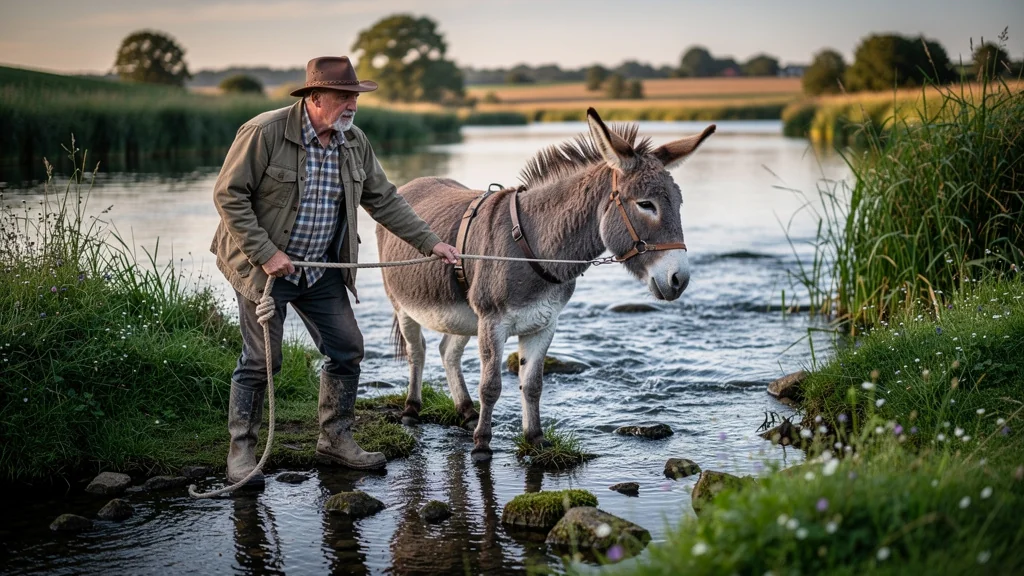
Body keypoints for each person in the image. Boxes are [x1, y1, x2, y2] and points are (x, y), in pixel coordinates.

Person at [210, 56, 459, 485]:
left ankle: (335, 440)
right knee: (261, 360)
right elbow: (229, 196)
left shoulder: (354, 142)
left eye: (355, 98)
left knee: (347, 348)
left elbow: (385, 200)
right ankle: (242, 449)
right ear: (316, 97)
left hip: (321, 269)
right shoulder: (264, 133)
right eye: (345, 97)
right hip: (262, 269)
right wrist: (267, 253)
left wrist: (431, 242)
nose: (353, 106)